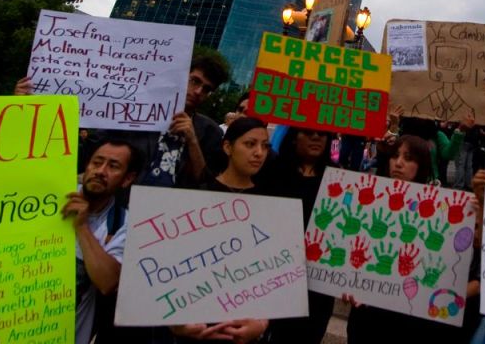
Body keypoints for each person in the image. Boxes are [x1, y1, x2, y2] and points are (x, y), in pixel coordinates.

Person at [171, 118, 271, 342]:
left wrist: (261, 324)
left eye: (265, 146)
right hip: (194, 323)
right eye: (250, 144)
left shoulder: (272, 204)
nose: (259, 153)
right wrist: (176, 323)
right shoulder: (197, 195)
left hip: (244, 325)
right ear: (228, 147)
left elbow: (276, 272)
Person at [344, 135, 447, 344]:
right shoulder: (367, 201)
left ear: (422, 165)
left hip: (408, 320)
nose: (398, 163)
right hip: (366, 315)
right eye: (395, 156)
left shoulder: (436, 211)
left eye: (408, 158)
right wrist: (343, 283)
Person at [67, 140, 142, 344]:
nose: (101, 171)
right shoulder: (52, 199)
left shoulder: (124, 223)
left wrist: (82, 227)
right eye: (96, 162)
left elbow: (107, 282)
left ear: (127, 179)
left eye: (113, 166)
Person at [265, 127, 336, 344]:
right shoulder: (271, 171)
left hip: (316, 287)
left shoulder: (338, 178)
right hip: (273, 276)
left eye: (323, 134)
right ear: (294, 138)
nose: (316, 137)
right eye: (308, 132)